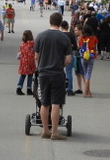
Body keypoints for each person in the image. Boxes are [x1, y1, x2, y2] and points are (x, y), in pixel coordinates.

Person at [34, 12, 72, 140]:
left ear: (50, 21)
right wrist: (60, 65)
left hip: (43, 74)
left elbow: (36, 56)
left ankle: (45, 131)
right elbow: (68, 60)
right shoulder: (64, 38)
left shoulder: (40, 36)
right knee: (56, 103)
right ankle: (55, 133)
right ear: (61, 23)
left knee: (44, 103)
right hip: (57, 73)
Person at [75, 24, 98, 98]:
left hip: (83, 57)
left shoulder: (81, 38)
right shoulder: (93, 38)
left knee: (85, 73)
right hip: (91, 56)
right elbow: (95, 47)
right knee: (88, 75)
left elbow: (78, 47)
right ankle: (86, 92)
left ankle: (87, 92)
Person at [60, 20, 78, 96]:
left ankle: (61, 89)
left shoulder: (59, 35)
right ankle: (69, 89)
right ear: (67, 27)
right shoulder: (71, 35)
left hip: (60, 55)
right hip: (69, 54)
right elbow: (75, 46)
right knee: (69, 72)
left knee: (60, 72)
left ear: (61, 27)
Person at [16, 30, 36, 95]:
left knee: (23, 75)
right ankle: (29, 88)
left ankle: (19, 87)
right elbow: (35, 51)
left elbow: (20, 52)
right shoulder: (32, 43)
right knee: (30, 75)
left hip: (23, 62)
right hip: (30, 61)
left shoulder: (22, 44)